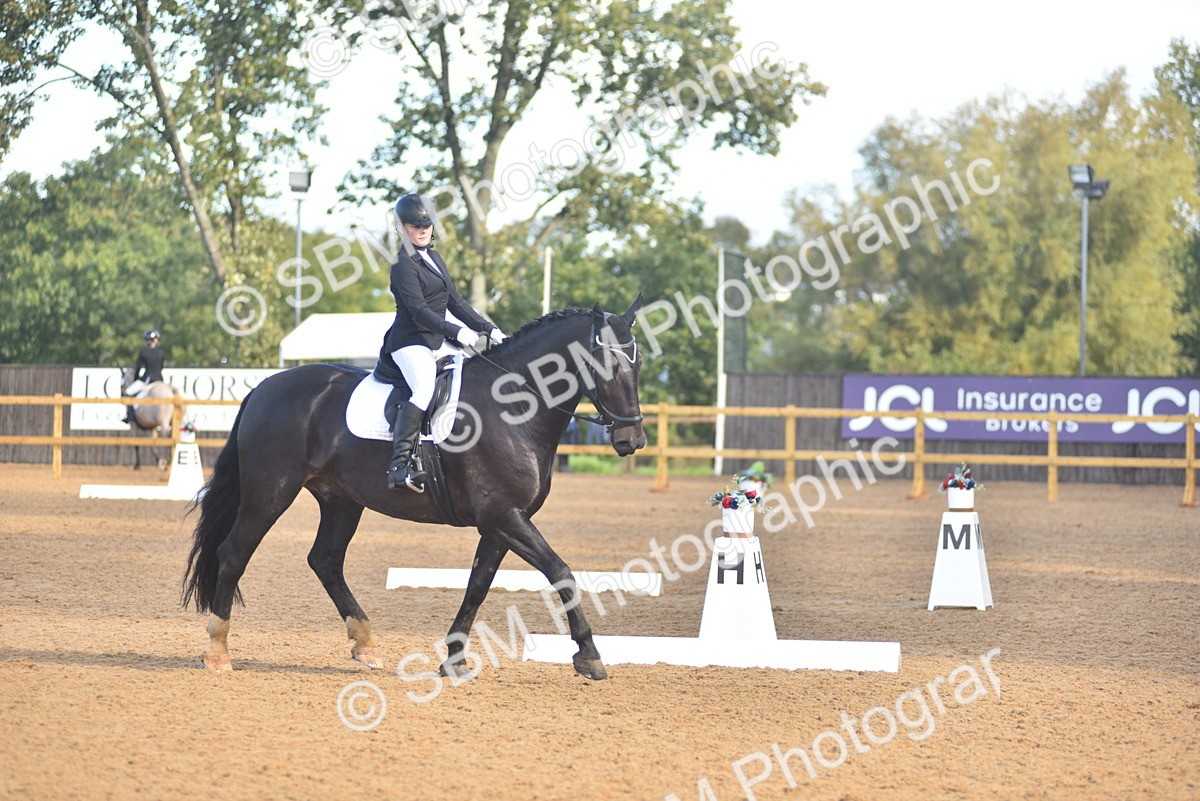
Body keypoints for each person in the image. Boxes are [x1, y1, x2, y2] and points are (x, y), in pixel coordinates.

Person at [380, 193, 507, 491]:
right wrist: (457, 332)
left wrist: (489, 329)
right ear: (401, 227)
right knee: (423, 389)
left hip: (437, 339)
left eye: (427, 224)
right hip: (410, 341)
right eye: (415, 225)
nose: (423, 230)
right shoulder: (402, 265)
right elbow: (419, 312)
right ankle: (399, 467)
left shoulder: (434, 257)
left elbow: (455, 300)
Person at [122, 329, 165, 424]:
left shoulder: (143, 352)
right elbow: (161, 367)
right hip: (160, 379)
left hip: (148, 379)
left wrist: (136, 379)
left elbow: (138, 368)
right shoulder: (161, 352)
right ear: (156, 340)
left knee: (128, 392)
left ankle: (130, 415)